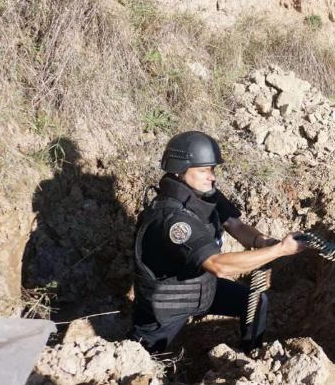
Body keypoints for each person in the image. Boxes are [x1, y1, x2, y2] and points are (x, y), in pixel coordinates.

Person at [129, 131, 305, 353]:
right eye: (203, 170)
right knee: (141, 358)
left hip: (202, 288)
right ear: (178, 171)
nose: (211, 176)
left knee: (255, 302)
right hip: (168, 302)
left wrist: (263, 241)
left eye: (212, 169)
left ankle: (251, 360)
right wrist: (279, 250)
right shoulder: (172, 219)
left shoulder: (206, 195)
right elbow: (218, 265)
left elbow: (236, 226)